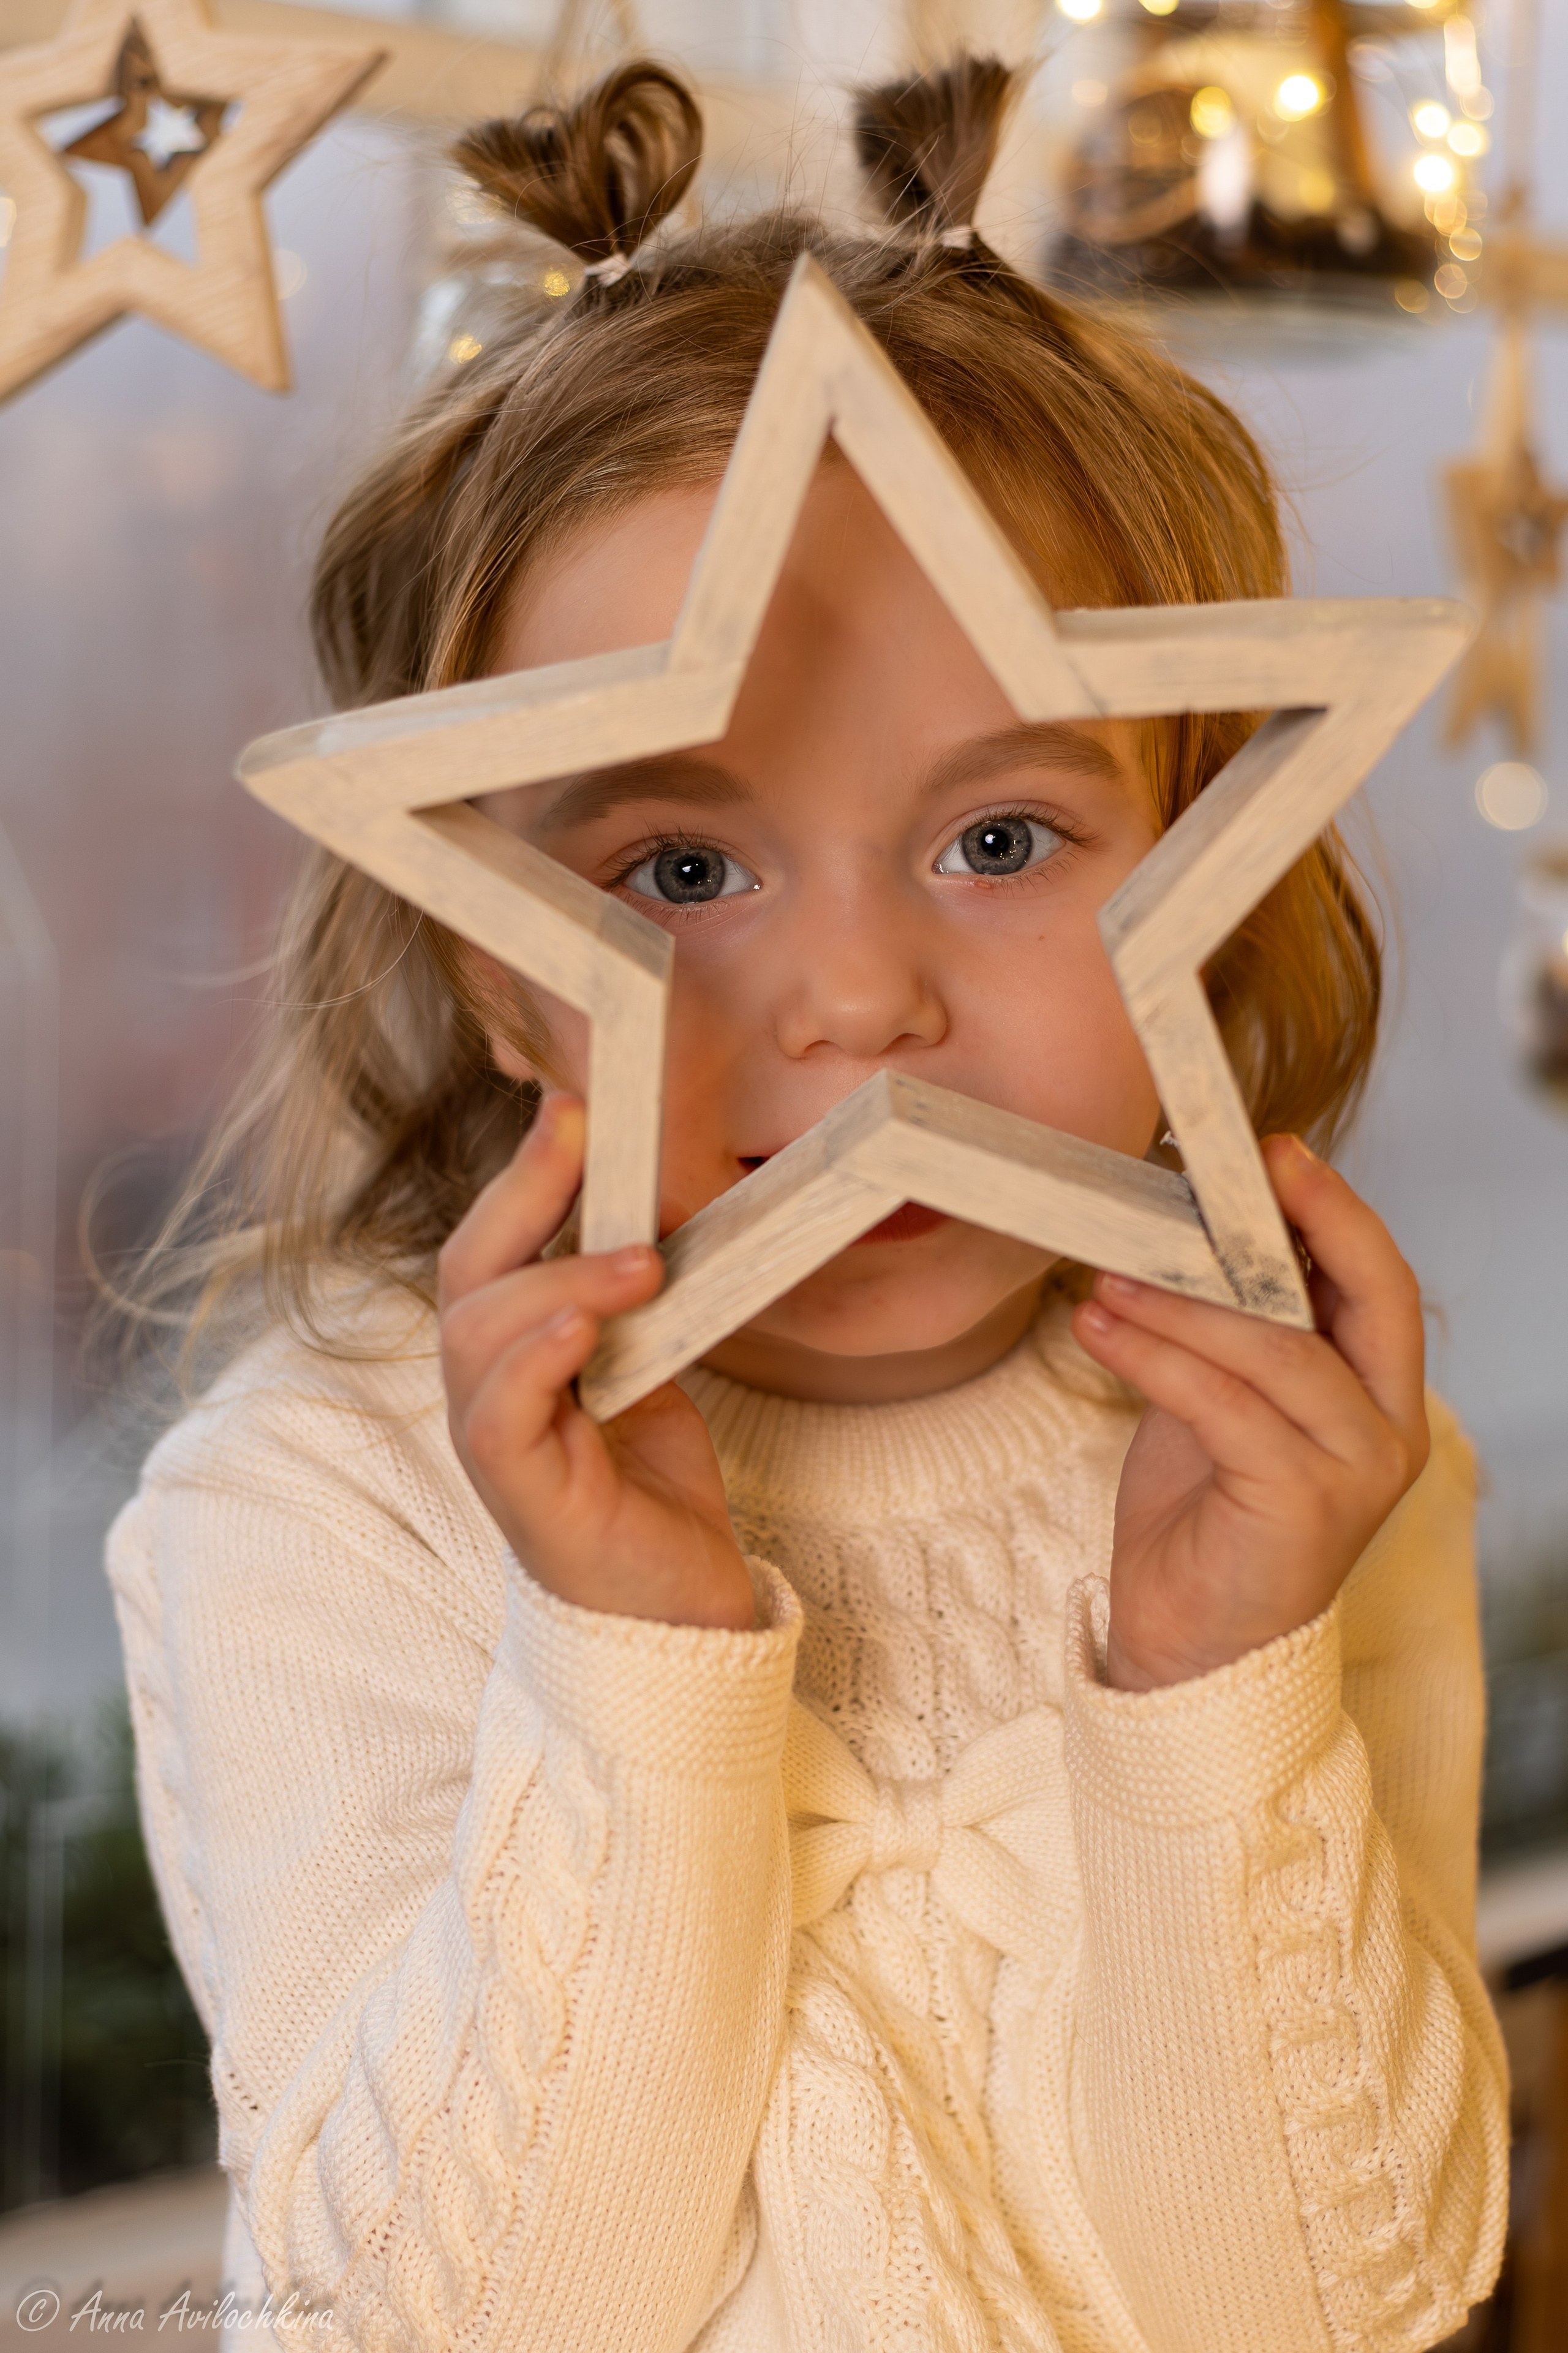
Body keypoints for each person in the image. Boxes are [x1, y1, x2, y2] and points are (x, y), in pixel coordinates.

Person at [104, 54, 1507, 2353]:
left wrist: (1216, 1686)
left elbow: (1326, 2308)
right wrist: (637, 1668)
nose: (857, 1002)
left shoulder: (1322, 1487)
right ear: (495, 970)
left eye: (999, 838)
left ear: (1210, 874)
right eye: (678, 867)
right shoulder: (307, 1518)